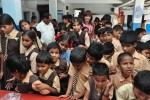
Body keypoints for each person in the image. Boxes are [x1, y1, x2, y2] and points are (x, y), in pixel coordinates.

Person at [0, 14, 22, 89]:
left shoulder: (20, 36)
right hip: (5, 67)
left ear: (11, 25)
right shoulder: (2, 35)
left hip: (15, 68)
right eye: (0, 27)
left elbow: (21, 57)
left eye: (4, 26)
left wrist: (16, 74)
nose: (2, 29)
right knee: (4, 89)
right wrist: (1, 70)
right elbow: (2, 55)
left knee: (14, 91)